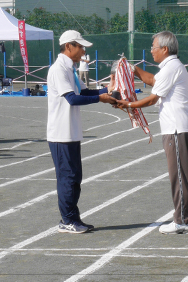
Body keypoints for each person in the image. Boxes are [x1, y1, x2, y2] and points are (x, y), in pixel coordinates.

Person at [116, 31, 188, 234]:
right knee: (179, 175)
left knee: (179, 176)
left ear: (165, 49)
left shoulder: (172, 68)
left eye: (154, 47)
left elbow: (152, 99)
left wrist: (129, 104)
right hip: (177, 128)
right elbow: (153, 80)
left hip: (177, 130)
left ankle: (182, 221)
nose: (151, 51)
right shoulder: (170, 67)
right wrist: (132, 69)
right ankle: (182, 218)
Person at [47, 30, 115, 234]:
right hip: (61, 133)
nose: (83, 51)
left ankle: (73, 218)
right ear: (69, 46)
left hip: (71, 132)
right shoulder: (59, 69)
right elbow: (72, 99)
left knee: (75, 177)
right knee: (67, 177)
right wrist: (101, 98)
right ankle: (67, 220)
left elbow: (84, 92)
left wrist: (108, 92)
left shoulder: (71, 69)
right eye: (80, 46)